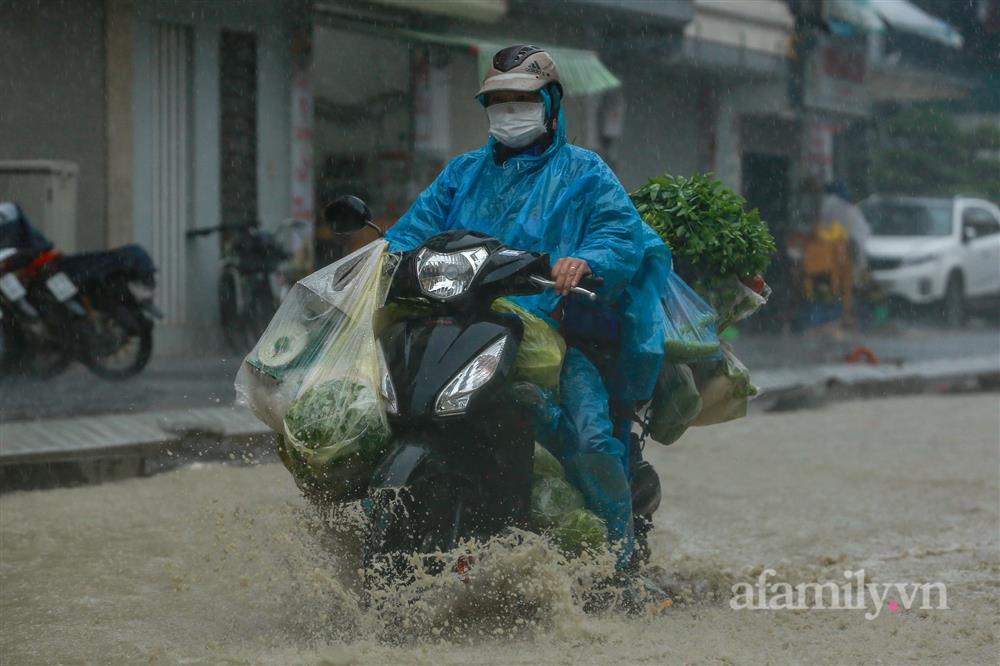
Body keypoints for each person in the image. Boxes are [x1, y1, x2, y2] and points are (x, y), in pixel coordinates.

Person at [385, 45, 671, 570]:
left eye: (522, 99)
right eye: (499, 101)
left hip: (555, 330)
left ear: (551, 103)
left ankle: (619, 568)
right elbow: (410, 232)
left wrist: (585, 260)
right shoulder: (462, 173)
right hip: (461, 324)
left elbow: (619, 234)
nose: (509, 111)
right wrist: (382, 260)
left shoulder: (586, 172)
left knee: (587, 440)